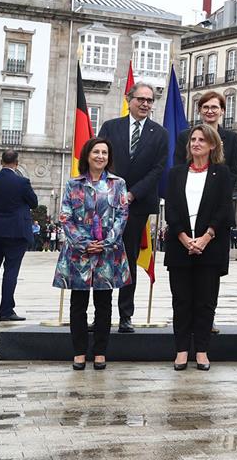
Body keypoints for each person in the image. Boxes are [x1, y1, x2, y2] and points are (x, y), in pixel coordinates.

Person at [53, 138, 131, 370]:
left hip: (107, 253)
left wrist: (106, 242)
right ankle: (78, 352)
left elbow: (122, 215)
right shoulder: (73, 184)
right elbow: (66, 216)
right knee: (78, 304)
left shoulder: (118, 184)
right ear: (87, 155)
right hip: (78, 254)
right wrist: (84, 243)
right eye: (96, 152)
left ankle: (99, 352)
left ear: (109, 157)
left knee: (104, 303)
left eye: (104, 153)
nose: (100, 156)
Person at [97, 82, 169, 333]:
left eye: (150, 100)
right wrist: (112, 192)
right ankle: (101, 315)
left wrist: (132, 193)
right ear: (130, 100)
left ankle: (126, 315)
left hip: (137, 205)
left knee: (128, 259)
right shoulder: (111, 127)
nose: (146, 104)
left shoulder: (160, 133)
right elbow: (101, 159)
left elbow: (157, 169)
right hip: (107, 204)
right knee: (104, 258)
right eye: (141, 99)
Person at [164, 124, 235, 372]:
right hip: (180, 246)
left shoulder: (222, 173)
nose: (195, 143)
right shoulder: (176, 173)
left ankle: (202, 351)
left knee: (205, 302)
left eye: (201, 140)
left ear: (212, 145)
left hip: (210, 248)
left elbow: (225, 209)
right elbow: (171, 209)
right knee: (181, 301)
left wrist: (206, 237)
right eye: (193, 139)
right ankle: (182, 351)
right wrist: (184, 238)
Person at [0, 150, 39, 320]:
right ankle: (6, 311)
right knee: (11, 271)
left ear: (1, 162)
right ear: (16, 163)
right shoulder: (22, 182)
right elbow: (34, 203)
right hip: (16, 231)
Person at [173, 91, 237, 176]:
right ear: (199, 110)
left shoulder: (232, 138)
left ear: (222, 111)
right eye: (205, 107)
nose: (209, 111)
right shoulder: (185, 136)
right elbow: (178, 166)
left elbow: (234, 171)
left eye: (214, 107)